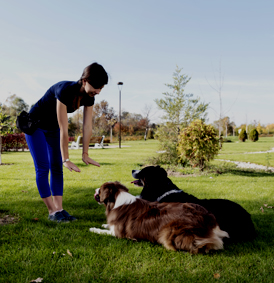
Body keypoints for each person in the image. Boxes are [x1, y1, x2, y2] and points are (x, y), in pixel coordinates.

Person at [25, 62, 108, 222]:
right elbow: (64, 128)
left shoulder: (89, 97)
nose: (97, 91)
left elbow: (87, 126)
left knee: (57, 168)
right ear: (84, 81)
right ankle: (52, 211)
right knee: (43, 168)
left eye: (101, 88)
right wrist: (67, 159)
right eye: (96, 86)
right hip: (35, 126)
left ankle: (60, 209)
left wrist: (85, 153)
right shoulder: (64, 90)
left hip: (52, 128)